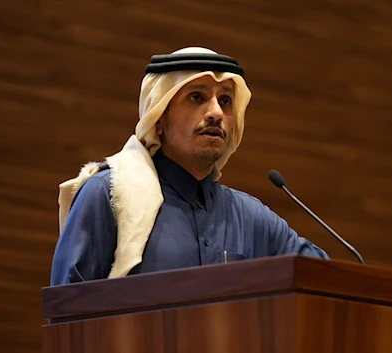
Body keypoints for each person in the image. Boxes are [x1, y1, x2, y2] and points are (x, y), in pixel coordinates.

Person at [50, 47, 329, 285]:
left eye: (226, 101)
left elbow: (324, 278)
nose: (216, 113)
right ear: (159, 118)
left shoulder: (251, 218)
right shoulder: (108, 195)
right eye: (197, 97)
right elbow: (69, 320)